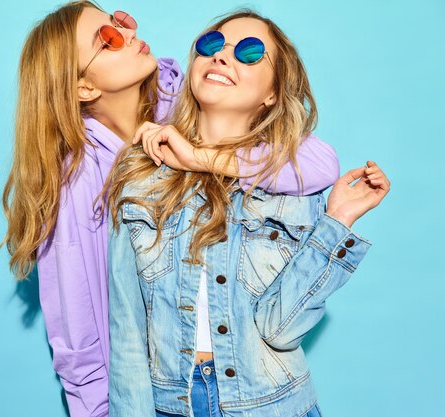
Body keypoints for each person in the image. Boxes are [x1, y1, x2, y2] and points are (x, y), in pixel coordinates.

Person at [1, 2, 339, 416]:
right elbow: (83, 332)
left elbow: (319, 165)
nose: (126, 32)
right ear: (83, 87)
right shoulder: (82, 183)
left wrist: (198, 158)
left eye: (118, 21)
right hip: (155, 388)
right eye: (107, 39)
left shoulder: (184, 104)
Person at [107, 9, 390, 417]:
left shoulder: (295, 184)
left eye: (249, 52)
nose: (222, 56)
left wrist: (337, 222)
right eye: (211, 45)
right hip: (173, 406)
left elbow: (282, 328)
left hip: (274, 405)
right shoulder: (141, 176)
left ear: (272, 93)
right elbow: (128, 331)